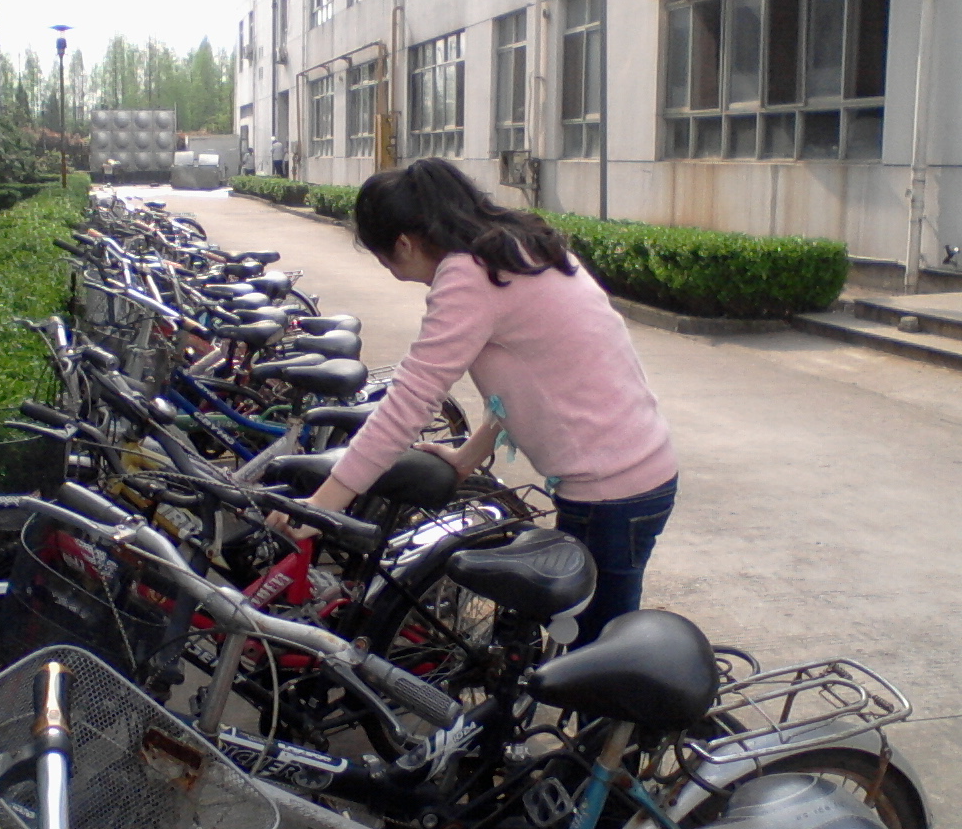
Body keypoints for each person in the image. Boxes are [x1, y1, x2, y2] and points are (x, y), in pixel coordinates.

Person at [269, 158, 678, 646]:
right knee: (581, 631)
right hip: (629, 475)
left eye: (383, 258)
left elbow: (411, 399)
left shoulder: (469, 274)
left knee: (597, 647)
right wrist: (468, 456)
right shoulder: (516, 246)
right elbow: (536, 377)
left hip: (614, 491)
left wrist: (323, 506)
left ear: (404, 243)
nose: (391, 270)